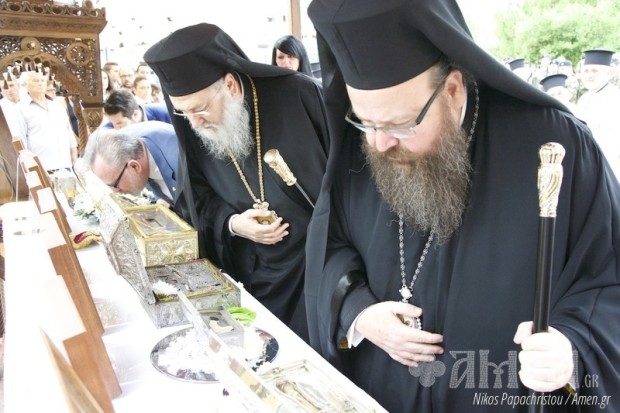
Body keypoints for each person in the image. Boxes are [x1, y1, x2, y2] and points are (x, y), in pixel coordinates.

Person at [306, 0, 620, 411]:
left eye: (400, 124)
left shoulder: (553, 146)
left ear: (452, 90)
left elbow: (606, 279)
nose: (380, 144)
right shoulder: (364, 145)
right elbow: (330, 246)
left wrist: (570, 348)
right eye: (366, 123)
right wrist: (357, 313)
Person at [144, 23, 329, 341]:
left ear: (229, 85)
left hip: (320, 264)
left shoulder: (300, 95)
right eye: (183, 113)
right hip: (255, 273)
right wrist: (233, 224)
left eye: (200, 109)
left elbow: (349, 182)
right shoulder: (194, 125)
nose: (194, 123)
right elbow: (195, 202)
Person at [83, 123, 178, 207]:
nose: (115, 191)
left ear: (134, 166)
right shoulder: (134, 151)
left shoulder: (178, 162)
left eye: (115, 185)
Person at [18, 70, 77, 172]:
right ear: (25, 85)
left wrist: (74, 149)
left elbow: (68, 129)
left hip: (65, 164)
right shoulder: (21, 108)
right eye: (35, 80)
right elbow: (21, 139)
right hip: (42, 166)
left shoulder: (57, 105)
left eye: (42, 80)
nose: (40, 83)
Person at [575, 49, 620, 180]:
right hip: (586, 160)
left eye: (595, 71)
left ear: (608, 73)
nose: (589, 75)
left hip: (609, 162)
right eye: (586, 71)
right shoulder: (584, 98)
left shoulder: (615, 97)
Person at [102, 89, 171, 129]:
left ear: (135, 114)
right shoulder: (108, 128)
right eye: (112, 123)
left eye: (119, 123)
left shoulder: (166, 115)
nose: (115, 128)